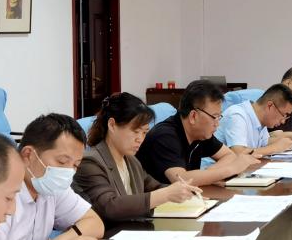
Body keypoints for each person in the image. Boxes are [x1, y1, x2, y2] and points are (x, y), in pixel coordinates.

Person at [0, 114, 105, 240]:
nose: (68, 172)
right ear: (28, 155)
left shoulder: (51, 185)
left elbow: (95, 223)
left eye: (75, 165)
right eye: (62, 161)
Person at [72, 93, 201, 221]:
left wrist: (183, 190)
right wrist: (166, 194)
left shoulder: (132, 161)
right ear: (112, 125)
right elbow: (110, 206)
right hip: (109, 232)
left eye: (144, 132)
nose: (140, 139)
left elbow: (154, 187)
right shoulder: (90, 162)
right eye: (135, 131)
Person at [136, 79, 256, 186]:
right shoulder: (165, 136)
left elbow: (229, 155)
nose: (217, 124)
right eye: (214, 117)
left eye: (219, 117)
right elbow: (181, 179)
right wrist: (230, 170)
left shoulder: (200, 133)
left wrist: (208, 176)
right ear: (193, 116)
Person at [221, 84, 292, 157]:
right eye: (283, 115)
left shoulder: (261, 120)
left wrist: (286, 143)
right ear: (270, 106)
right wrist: (275, 148)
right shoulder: (237, 115)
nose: (283, 121)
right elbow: (239, 153)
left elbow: (264, 143)